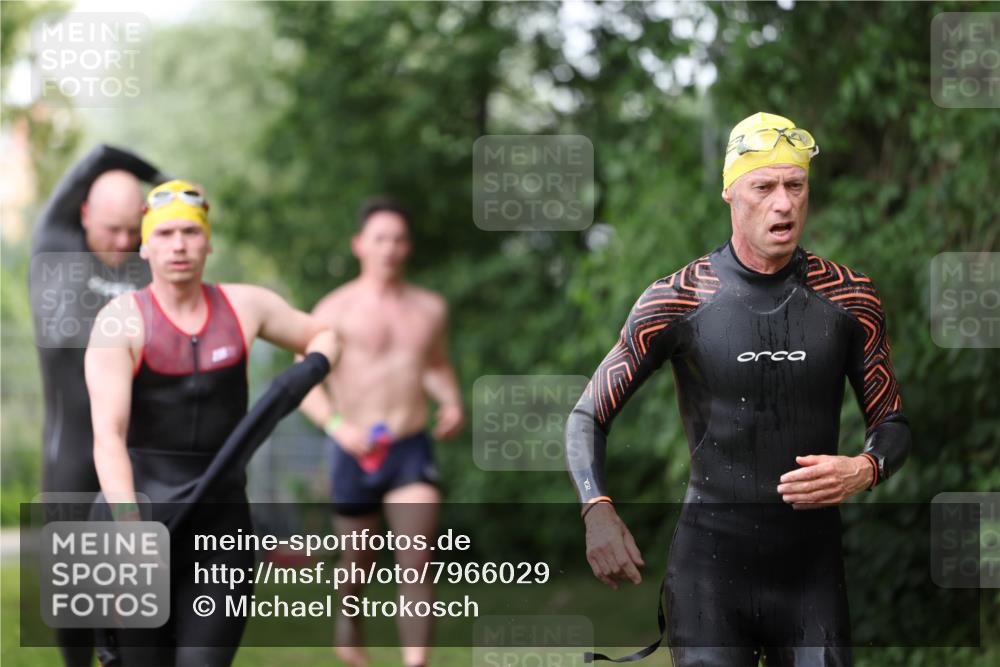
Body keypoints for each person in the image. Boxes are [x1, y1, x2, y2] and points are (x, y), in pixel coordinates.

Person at [565, 112, 912, 666]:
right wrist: (597, 508)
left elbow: (891, 425)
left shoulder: (850, 299)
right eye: (764, 186)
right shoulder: (677, 299)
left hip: (811, 576)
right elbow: (587, 416)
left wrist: (864, 469)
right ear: (731, 192)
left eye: (795, 186)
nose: (783, 203)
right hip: (710, 573)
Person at [84, 179, 339, 666]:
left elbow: (323, 334)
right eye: (164, 234)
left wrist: (313, 368)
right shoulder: (121, 322)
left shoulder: (247, 307)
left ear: (208, 239)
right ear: (144, 244)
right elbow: (108, 438)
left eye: (190, 232)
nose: (178, 245)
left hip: (222, 529)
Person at [298, 197, 464, 667]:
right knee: (357, 567)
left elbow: (433, 365)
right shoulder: (334, 309)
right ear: (359, 245)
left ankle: (417, 662)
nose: (389, 248)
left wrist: (450, 400)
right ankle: (348, 624)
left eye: (397, 239)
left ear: (407, 247)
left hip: (409, 446)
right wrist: (336, 426)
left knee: (416, 563)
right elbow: (302, 380)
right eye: (379, 238)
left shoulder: (429, 308)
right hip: (354, 451)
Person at [29, 144, 168, 667]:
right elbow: (98, 156)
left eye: (134, 229)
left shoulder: (149, 264)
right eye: (111, 228)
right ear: (84, 215)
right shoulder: (55, 249)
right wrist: (147, 170)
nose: (123, 241)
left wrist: (160, 199)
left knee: (135, 588)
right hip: (73, 451)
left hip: (136, 453)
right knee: (72, 591)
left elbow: (183, 214)